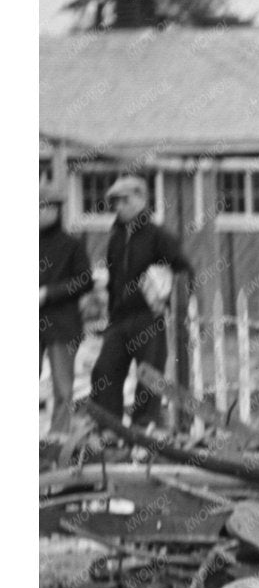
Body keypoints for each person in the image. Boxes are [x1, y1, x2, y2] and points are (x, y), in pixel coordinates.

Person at [86, 172, 191, 431]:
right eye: (115, 202)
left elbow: (183, 270)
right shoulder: (116, 238)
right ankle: (109, 429)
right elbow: (113, 279)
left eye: (124, 200)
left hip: (148, 319)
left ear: (141, 199)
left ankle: (143, 430)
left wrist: (166, 297)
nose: (118, 207)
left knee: (148, 378)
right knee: (104, 372)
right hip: (119, 320)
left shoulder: (159, 236)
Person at [39, 184, 94, 437]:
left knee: (63, 387)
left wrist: (48, 294)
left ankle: (58, 436)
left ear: (54, 210)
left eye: (42, 207)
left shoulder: (71, 245)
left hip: (62, 325)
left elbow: (85, 280)